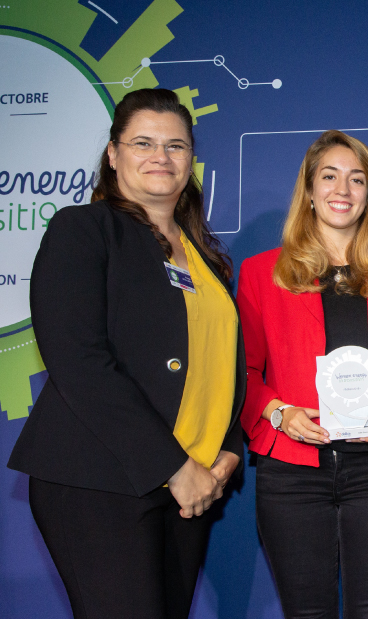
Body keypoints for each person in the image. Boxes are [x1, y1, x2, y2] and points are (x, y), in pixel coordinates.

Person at [6, 88, 244, 619]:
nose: (161, 156)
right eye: (143, 143)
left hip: (192, 484)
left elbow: (219, 366)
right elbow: (78, 361)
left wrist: (228, 449)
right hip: (101, 476)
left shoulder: (204, 257)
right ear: (113, 155)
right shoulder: (84, 229)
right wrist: (173, 466)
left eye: (175, 146)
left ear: (191, 160)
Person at [236, 130, 368, 619]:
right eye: (329, 176)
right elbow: (244, 373)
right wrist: (279, 413)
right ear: (309, 189)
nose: (342, 189)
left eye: (356, 179)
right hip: (293, 473)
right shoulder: (263, 274)